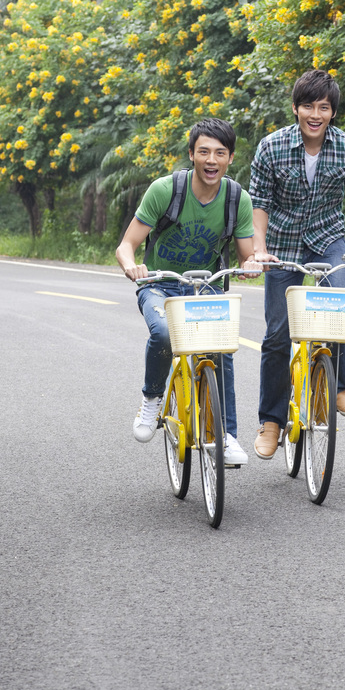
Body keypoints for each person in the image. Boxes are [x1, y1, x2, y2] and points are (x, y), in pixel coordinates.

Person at [249, 69, 345, 460]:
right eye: (308, 105)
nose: (315, 114)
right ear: (295, 108)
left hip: (327, 240)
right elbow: (259, 204)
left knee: (343, 298)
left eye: (323, 107)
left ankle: (341, 386)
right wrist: (259, 249)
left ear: (332, 113)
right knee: (278, 332)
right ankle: (271, 421)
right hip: (282, 245)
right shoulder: (272, 147)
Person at [116, 118, 258, 466]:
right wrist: (132, 265)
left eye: (220, 153)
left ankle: (225, 436)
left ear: (230, 158)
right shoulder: (166, 190)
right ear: (192, 154)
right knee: (164, 333)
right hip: (159, 285)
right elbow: (126, 245)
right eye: (204, 151)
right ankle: (152, 399)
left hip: (204, 287)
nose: (212, 160)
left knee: (221, 346)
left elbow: (246, 253)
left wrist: (252, 264)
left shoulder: (237, 198)